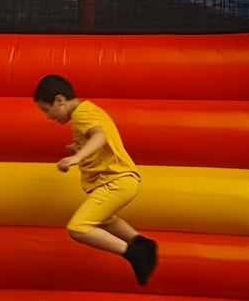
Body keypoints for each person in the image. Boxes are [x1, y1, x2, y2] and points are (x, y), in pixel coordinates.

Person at [33, 74, 158, 284]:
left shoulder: (82, 113)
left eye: (47, 110)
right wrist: (80, 148)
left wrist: (77, 157)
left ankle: (133, 253)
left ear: (60, 100)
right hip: (117, 182)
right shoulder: (86, 113)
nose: (48, 117)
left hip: (116, 181)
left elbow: (100, 136)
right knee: (104, 220)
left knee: (78, 227)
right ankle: (141, 243)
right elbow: (98, 139)